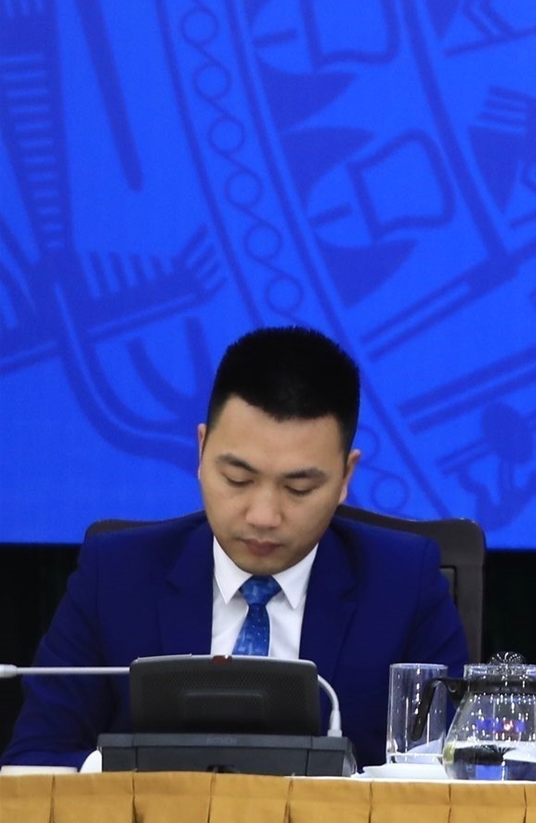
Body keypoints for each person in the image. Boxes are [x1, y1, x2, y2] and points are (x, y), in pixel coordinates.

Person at [5, 326, 470, 767]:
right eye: (238, 479)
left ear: (346, 476)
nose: (263, 515)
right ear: (201, 450)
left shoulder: (404, 586)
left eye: (299, 489)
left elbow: (448, 776)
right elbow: (36, 759)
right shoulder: (114, 576)